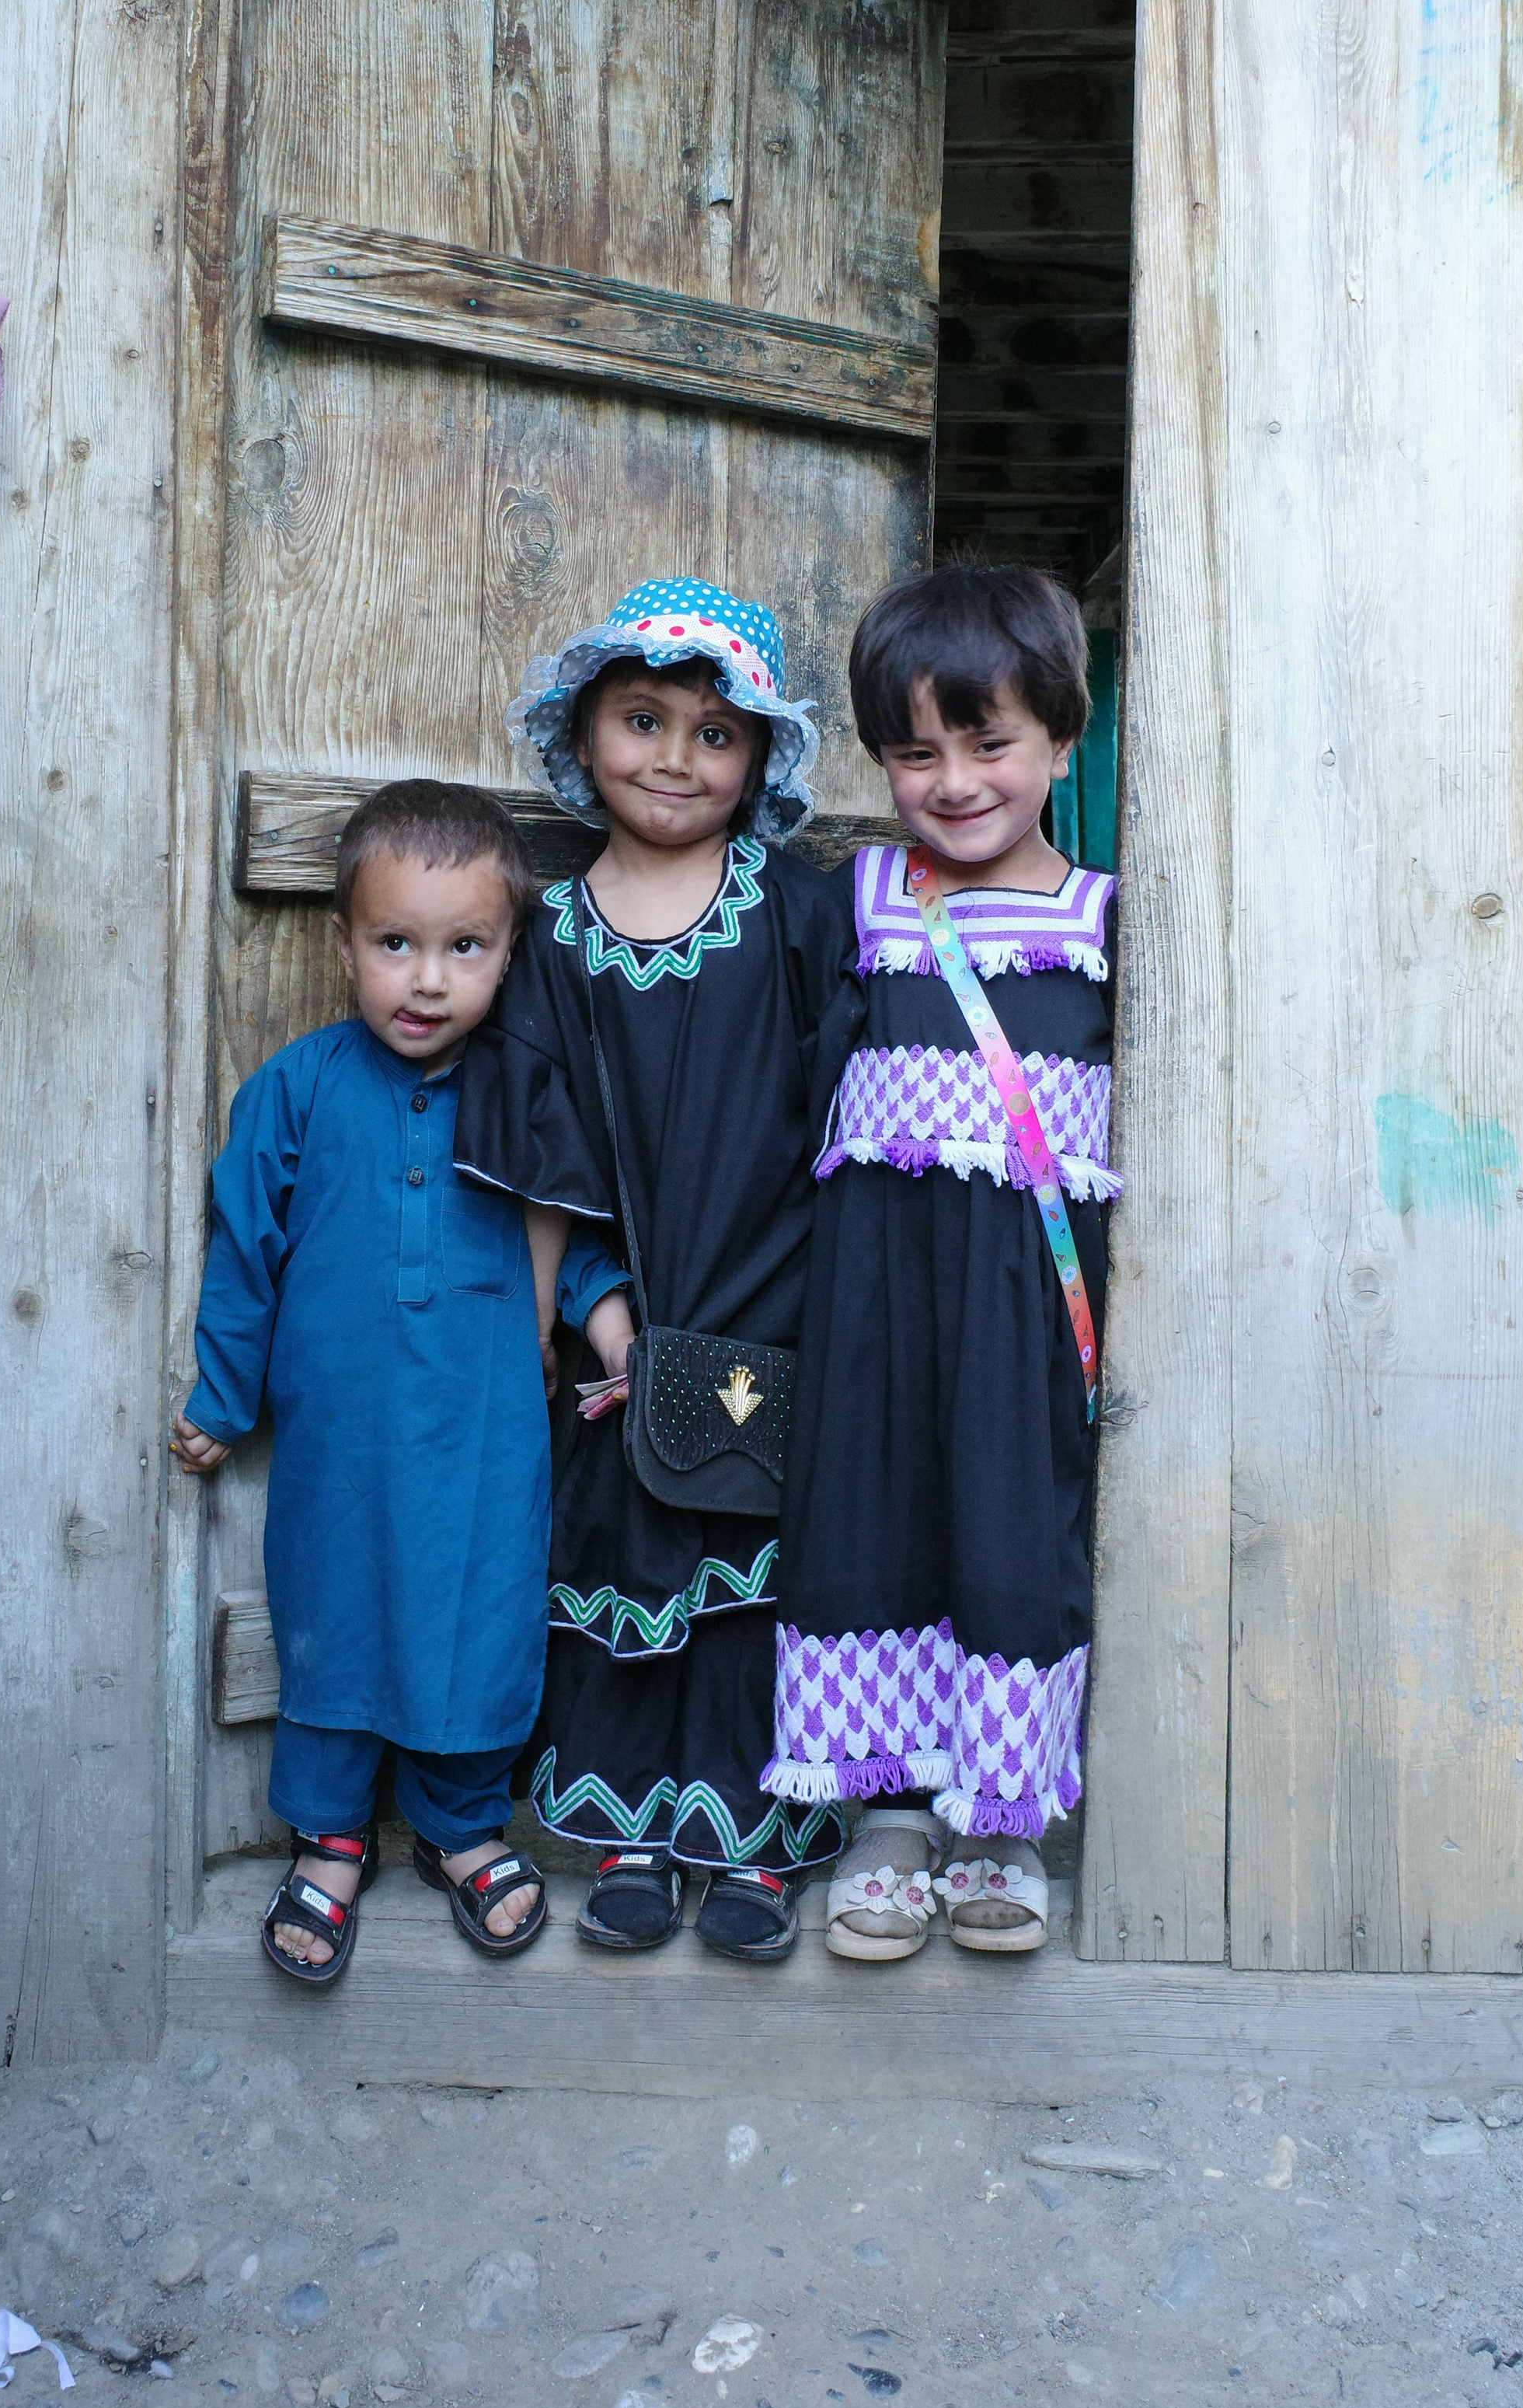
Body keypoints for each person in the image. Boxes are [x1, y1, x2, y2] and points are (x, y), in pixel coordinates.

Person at [170, 780, 626, 1989]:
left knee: (478, 1615)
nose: (428, 981)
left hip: (485, 1432)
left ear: (509, 952)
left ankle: (462, 1824)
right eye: (396, 945)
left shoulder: (524, 1095)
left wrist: (615, 1329)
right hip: (341, 1435)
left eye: (464, 947)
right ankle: (327, 1836)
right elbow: (243, 1249)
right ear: (344, 944)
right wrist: (223, 1398)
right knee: (332, 1614)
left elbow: (572, 1236)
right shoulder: (296, 1090)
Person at [455, 580, 853, 1963]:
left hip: (781, 1303)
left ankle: (759, 1844)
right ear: (585, 732)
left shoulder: (797, 918)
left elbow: (846, 1117)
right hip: (631, 1316)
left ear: (762, 760)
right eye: (644, 720)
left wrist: (828, 1313)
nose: (677, 758)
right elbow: (544, 1147)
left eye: (716, 732)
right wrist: (599, 1326)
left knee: (757, 1572)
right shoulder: (550, 942)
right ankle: (632, 1836)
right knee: (627, 1560)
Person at [765, 565, 1117, 1961]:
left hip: (1027, 1303)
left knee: (1012, 1528)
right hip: (874, 1293)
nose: (956, 780)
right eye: (916, 751)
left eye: (992, 743)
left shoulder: (1107, 925)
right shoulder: (854, 904)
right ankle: (888, 1819)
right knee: (871, 1515)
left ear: (1061, 742)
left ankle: (1001, 1821)